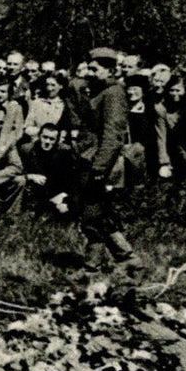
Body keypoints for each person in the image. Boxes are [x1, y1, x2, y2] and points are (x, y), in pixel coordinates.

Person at [75, 48, 135, 265]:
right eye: (89, 68)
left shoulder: (114, 94)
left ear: (110, 70)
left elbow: (113, 136)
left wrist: (99, 169)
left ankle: (124, 259)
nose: (90, 73)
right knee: (96, 214)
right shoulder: (100, 91)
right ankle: (104, 263)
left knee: (94, 214)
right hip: (91, 159)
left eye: (95, 69)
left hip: (102, 164)